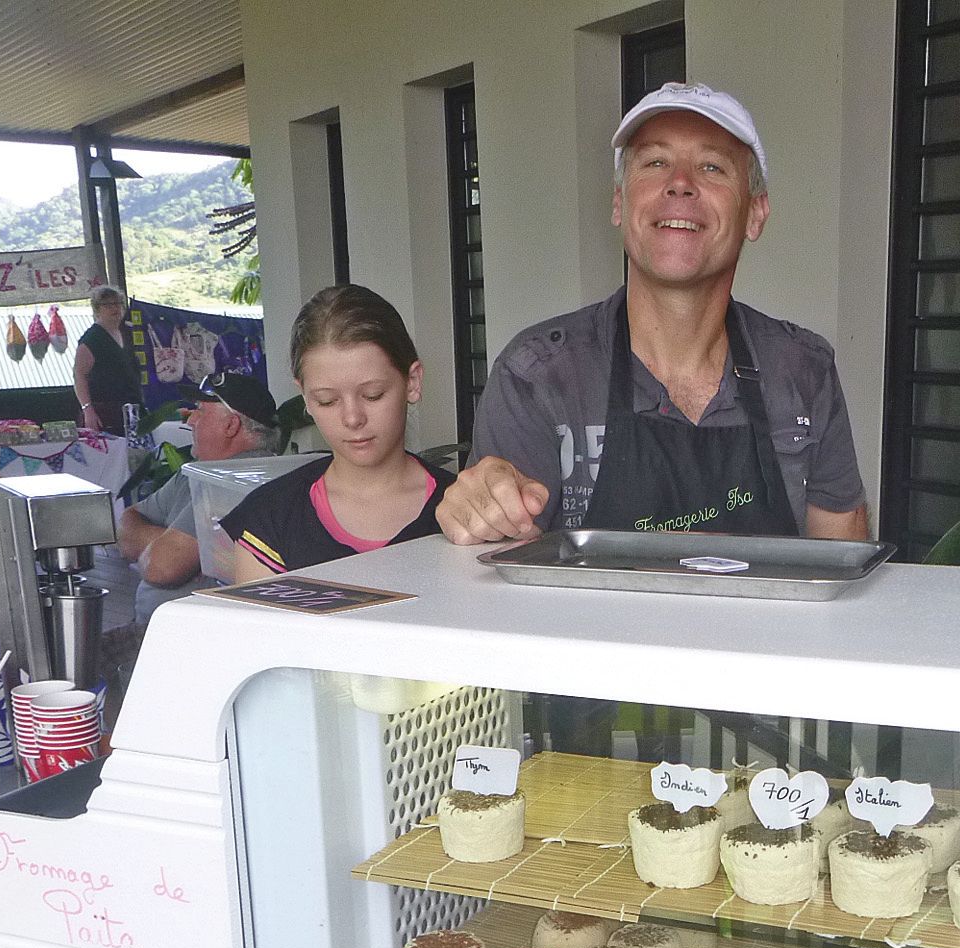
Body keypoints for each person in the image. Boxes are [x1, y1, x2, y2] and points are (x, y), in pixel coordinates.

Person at [437, 82, 868, 546]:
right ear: (620, 203)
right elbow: (503, 589)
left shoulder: (804, 371)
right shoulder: (538, 379)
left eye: (712, 166)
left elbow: (840, 568)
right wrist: (481, 508)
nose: (680, 182)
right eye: (655, 162)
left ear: (755, 213)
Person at [220, 285, 452, 581]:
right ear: (304, 396)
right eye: (327, 400)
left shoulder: (462, 510)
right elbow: (262, 627)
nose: (353, 418)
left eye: (373, 394)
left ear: (412, 382)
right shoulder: (272, 520)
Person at [116, 371, 278, 621]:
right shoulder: (195, 471)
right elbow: (127, 524)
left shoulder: (239, 478)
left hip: (192, 642)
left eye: (200, 410)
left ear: (230, 425)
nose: (190, 420)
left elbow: (162, 567)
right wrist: (188, 548)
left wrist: (174, 550)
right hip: (157, 632)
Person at [74, 284, 142, 435]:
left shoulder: (127, 334)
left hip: (131, 410)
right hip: (104, 412)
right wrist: (88, 410)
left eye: (118, 303)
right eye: (108, 305)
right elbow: (79, 376)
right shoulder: (91, 339)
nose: (115, 308)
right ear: (97, 309)